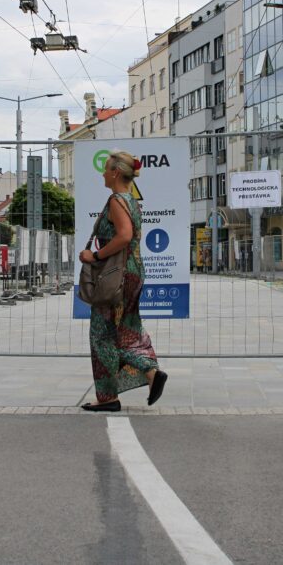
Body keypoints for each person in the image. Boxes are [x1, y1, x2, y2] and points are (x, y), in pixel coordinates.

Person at [77, 151, 167, 412]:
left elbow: (124, 236)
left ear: (116, 172)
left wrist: (95, 255)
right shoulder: (131, 201)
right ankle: (148, 373)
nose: (103, 174)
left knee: (102, 334)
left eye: (106, 169)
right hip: (132, 270)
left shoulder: (117, 200)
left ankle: (112, 395)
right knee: (126, 327)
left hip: (116, 274)